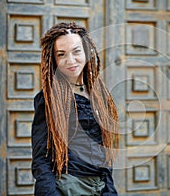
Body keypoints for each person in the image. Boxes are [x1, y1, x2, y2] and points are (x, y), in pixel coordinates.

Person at [31, 22, 119, 196]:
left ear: (87, 51)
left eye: (76, 51)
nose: (70, 60)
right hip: (68, 186)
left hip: (100, 186)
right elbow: (41, 158)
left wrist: (109, 189)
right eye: (61, 54)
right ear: (53, 59)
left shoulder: (98, 94)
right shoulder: (49, 99)